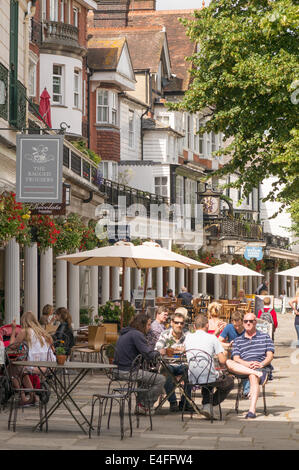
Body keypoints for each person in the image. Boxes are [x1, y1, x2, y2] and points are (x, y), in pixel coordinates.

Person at [114, 312, 166, 413]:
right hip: (128, 371)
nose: (150, 327)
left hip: (117, 369)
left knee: (145, 375)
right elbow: (148, 355)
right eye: (148, 324)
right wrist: (159, 352)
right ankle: (145, 404)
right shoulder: (136, 334)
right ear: (142, 325)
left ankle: (140, 405)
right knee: (161, 379)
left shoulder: (126, 333)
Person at [184, 314, 234, 419]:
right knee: (229, 381)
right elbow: (222, 360)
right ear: (207, 325)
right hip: (208, 376)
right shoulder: (212, 338)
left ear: (194, 326)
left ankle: (207, 405)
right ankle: (208, 404)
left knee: (206, 374)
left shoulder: (188, 337)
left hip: (191, 376)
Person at [226, 312, 275, 419]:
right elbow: (236, 358)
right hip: (243, 367)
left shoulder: (265, 337)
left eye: (251, 321)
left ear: (255, 322)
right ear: (243, 323)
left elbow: (270, 356)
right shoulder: (238, 340)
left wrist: (261, 364)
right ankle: (256, 373)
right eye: (245, 321)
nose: (248, 323)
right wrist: (247, 364)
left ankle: (252, 410)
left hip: (261, 367)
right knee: (228, 362)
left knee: (253, 376)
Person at [10, 311, 55, 406]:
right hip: (49, 366)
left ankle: (27, 396)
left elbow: (12, 347)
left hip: (34, 366)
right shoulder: (42, 332)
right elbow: (52, 346)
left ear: (24, 321)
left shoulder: (25, 331)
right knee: (21, 367)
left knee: (12, 368)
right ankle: (31, 395)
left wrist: (13, 330)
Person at [155, 312, 192, 412]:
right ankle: (173, 401)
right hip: (169, 364)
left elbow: (192, 349)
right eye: (176, 322)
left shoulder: (188, 335)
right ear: (171, 323)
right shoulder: (165, 334)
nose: (179, 325)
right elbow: (158, 349)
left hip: (183, 364)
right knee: (164, 371)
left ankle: (185, 402)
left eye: (181, 323)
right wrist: (167, 350)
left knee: (191, 371)